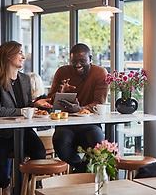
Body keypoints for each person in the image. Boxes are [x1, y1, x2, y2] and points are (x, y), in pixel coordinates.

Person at [34, 43, 108, 171]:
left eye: (82, 61)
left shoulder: (99, 73)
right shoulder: (62, 72)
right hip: (66, 123)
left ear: (90, 58)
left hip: (90, 124)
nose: (78, 65)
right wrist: (60, 93)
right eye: (74, 61)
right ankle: (80, 168)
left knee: (98, 143)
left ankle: (86, 172)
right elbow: (51, 101)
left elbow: (99, 102)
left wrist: (79, 109)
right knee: (60, 142)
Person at [0, 41, 46, 193]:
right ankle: (5, 186)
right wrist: (22, 111)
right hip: (1, 133)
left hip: (23, 131)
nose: (23, 56)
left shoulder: (25, 79)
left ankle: (24, 185)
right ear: (8, 56)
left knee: (40, 152)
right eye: (20, 53)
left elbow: (27, 105)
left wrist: (37, 105)